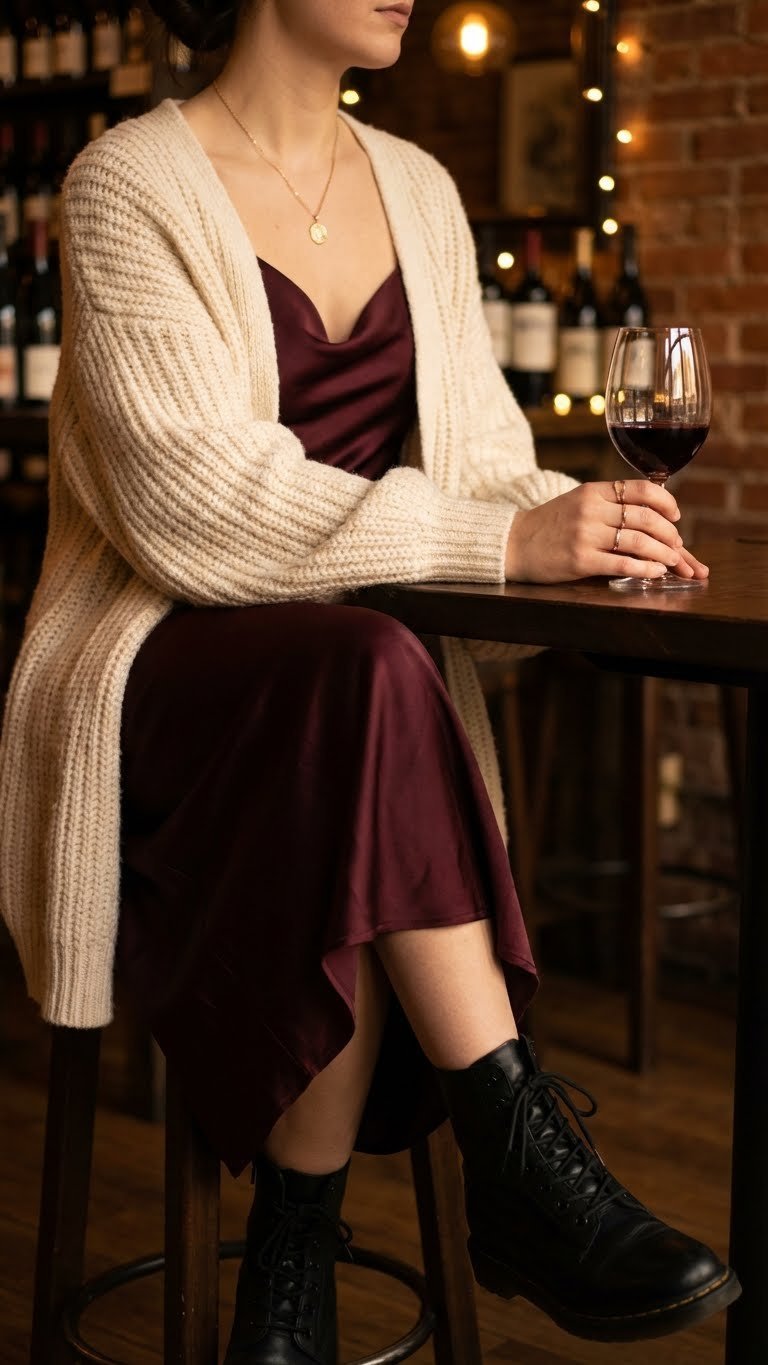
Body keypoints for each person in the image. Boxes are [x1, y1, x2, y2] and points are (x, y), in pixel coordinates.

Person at [0, 1, 737, 1360]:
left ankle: (294, 1254)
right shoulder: (124, 182)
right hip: (164, 672)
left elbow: (481, 467)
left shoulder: (422, 188)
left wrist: (579, 524)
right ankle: (517, 1151)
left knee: (365, 697)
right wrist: (499, 539)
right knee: (368, 680)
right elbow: (190, 502)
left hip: (355, 690)